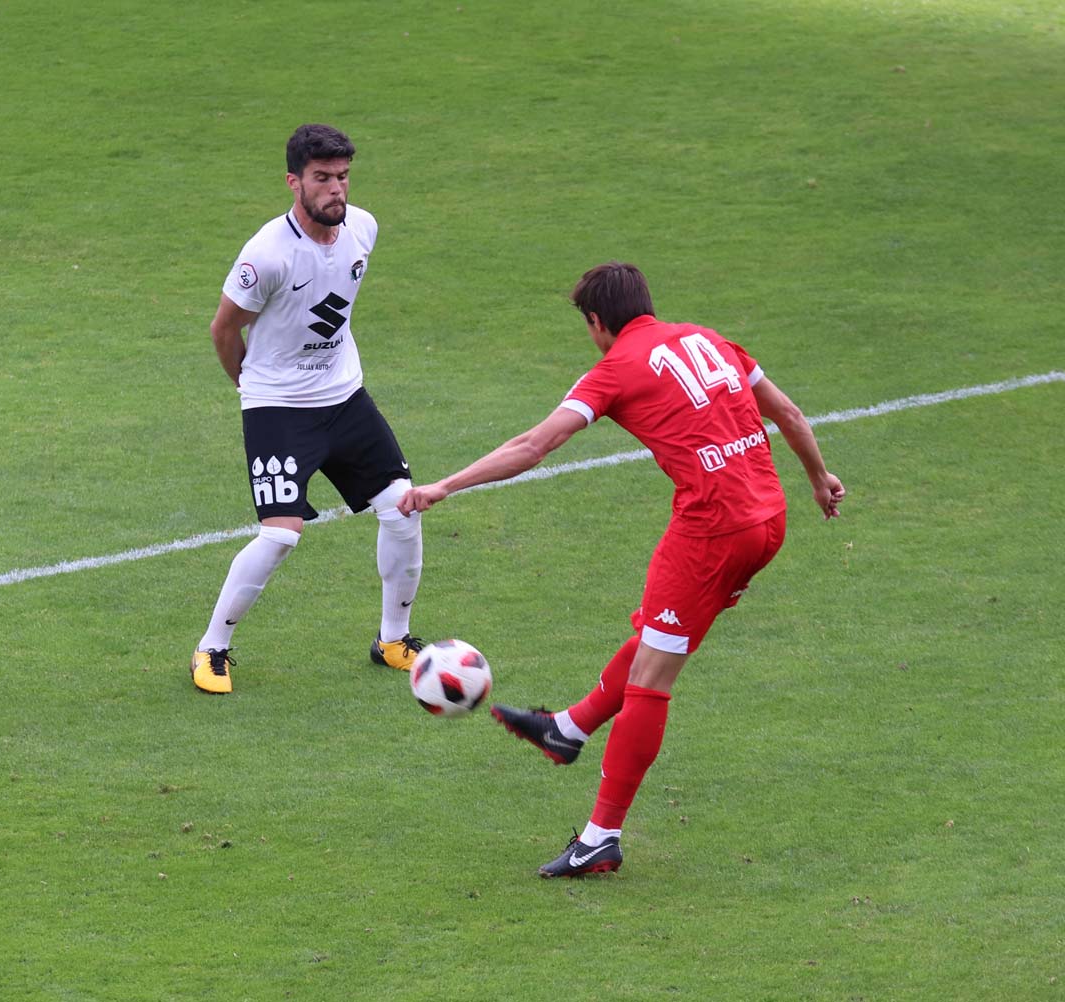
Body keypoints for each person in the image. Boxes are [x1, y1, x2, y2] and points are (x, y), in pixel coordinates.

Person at [398, 262, 844, 876]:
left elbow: (535, 445)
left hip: (709, 530)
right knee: (661, 637)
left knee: (653, 678)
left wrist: (446, 485)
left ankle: (600, 837)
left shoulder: (615, 368)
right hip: (767, 520)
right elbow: (788, 414)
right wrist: (820, 480)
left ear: (596, 322)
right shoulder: (712, 340)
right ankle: (569, 729)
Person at [190, 124, 425, 694]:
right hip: (278, 408)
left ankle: (393, 639)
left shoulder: (363, 229)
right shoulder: (266, 255)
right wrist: (251, 388)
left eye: (342, 177)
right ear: (294, 182)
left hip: (345, 398)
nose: (336, 190)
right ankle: (211, 649)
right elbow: (224, 329)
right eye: (322, 178)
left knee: (404, 509)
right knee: (281, 534)